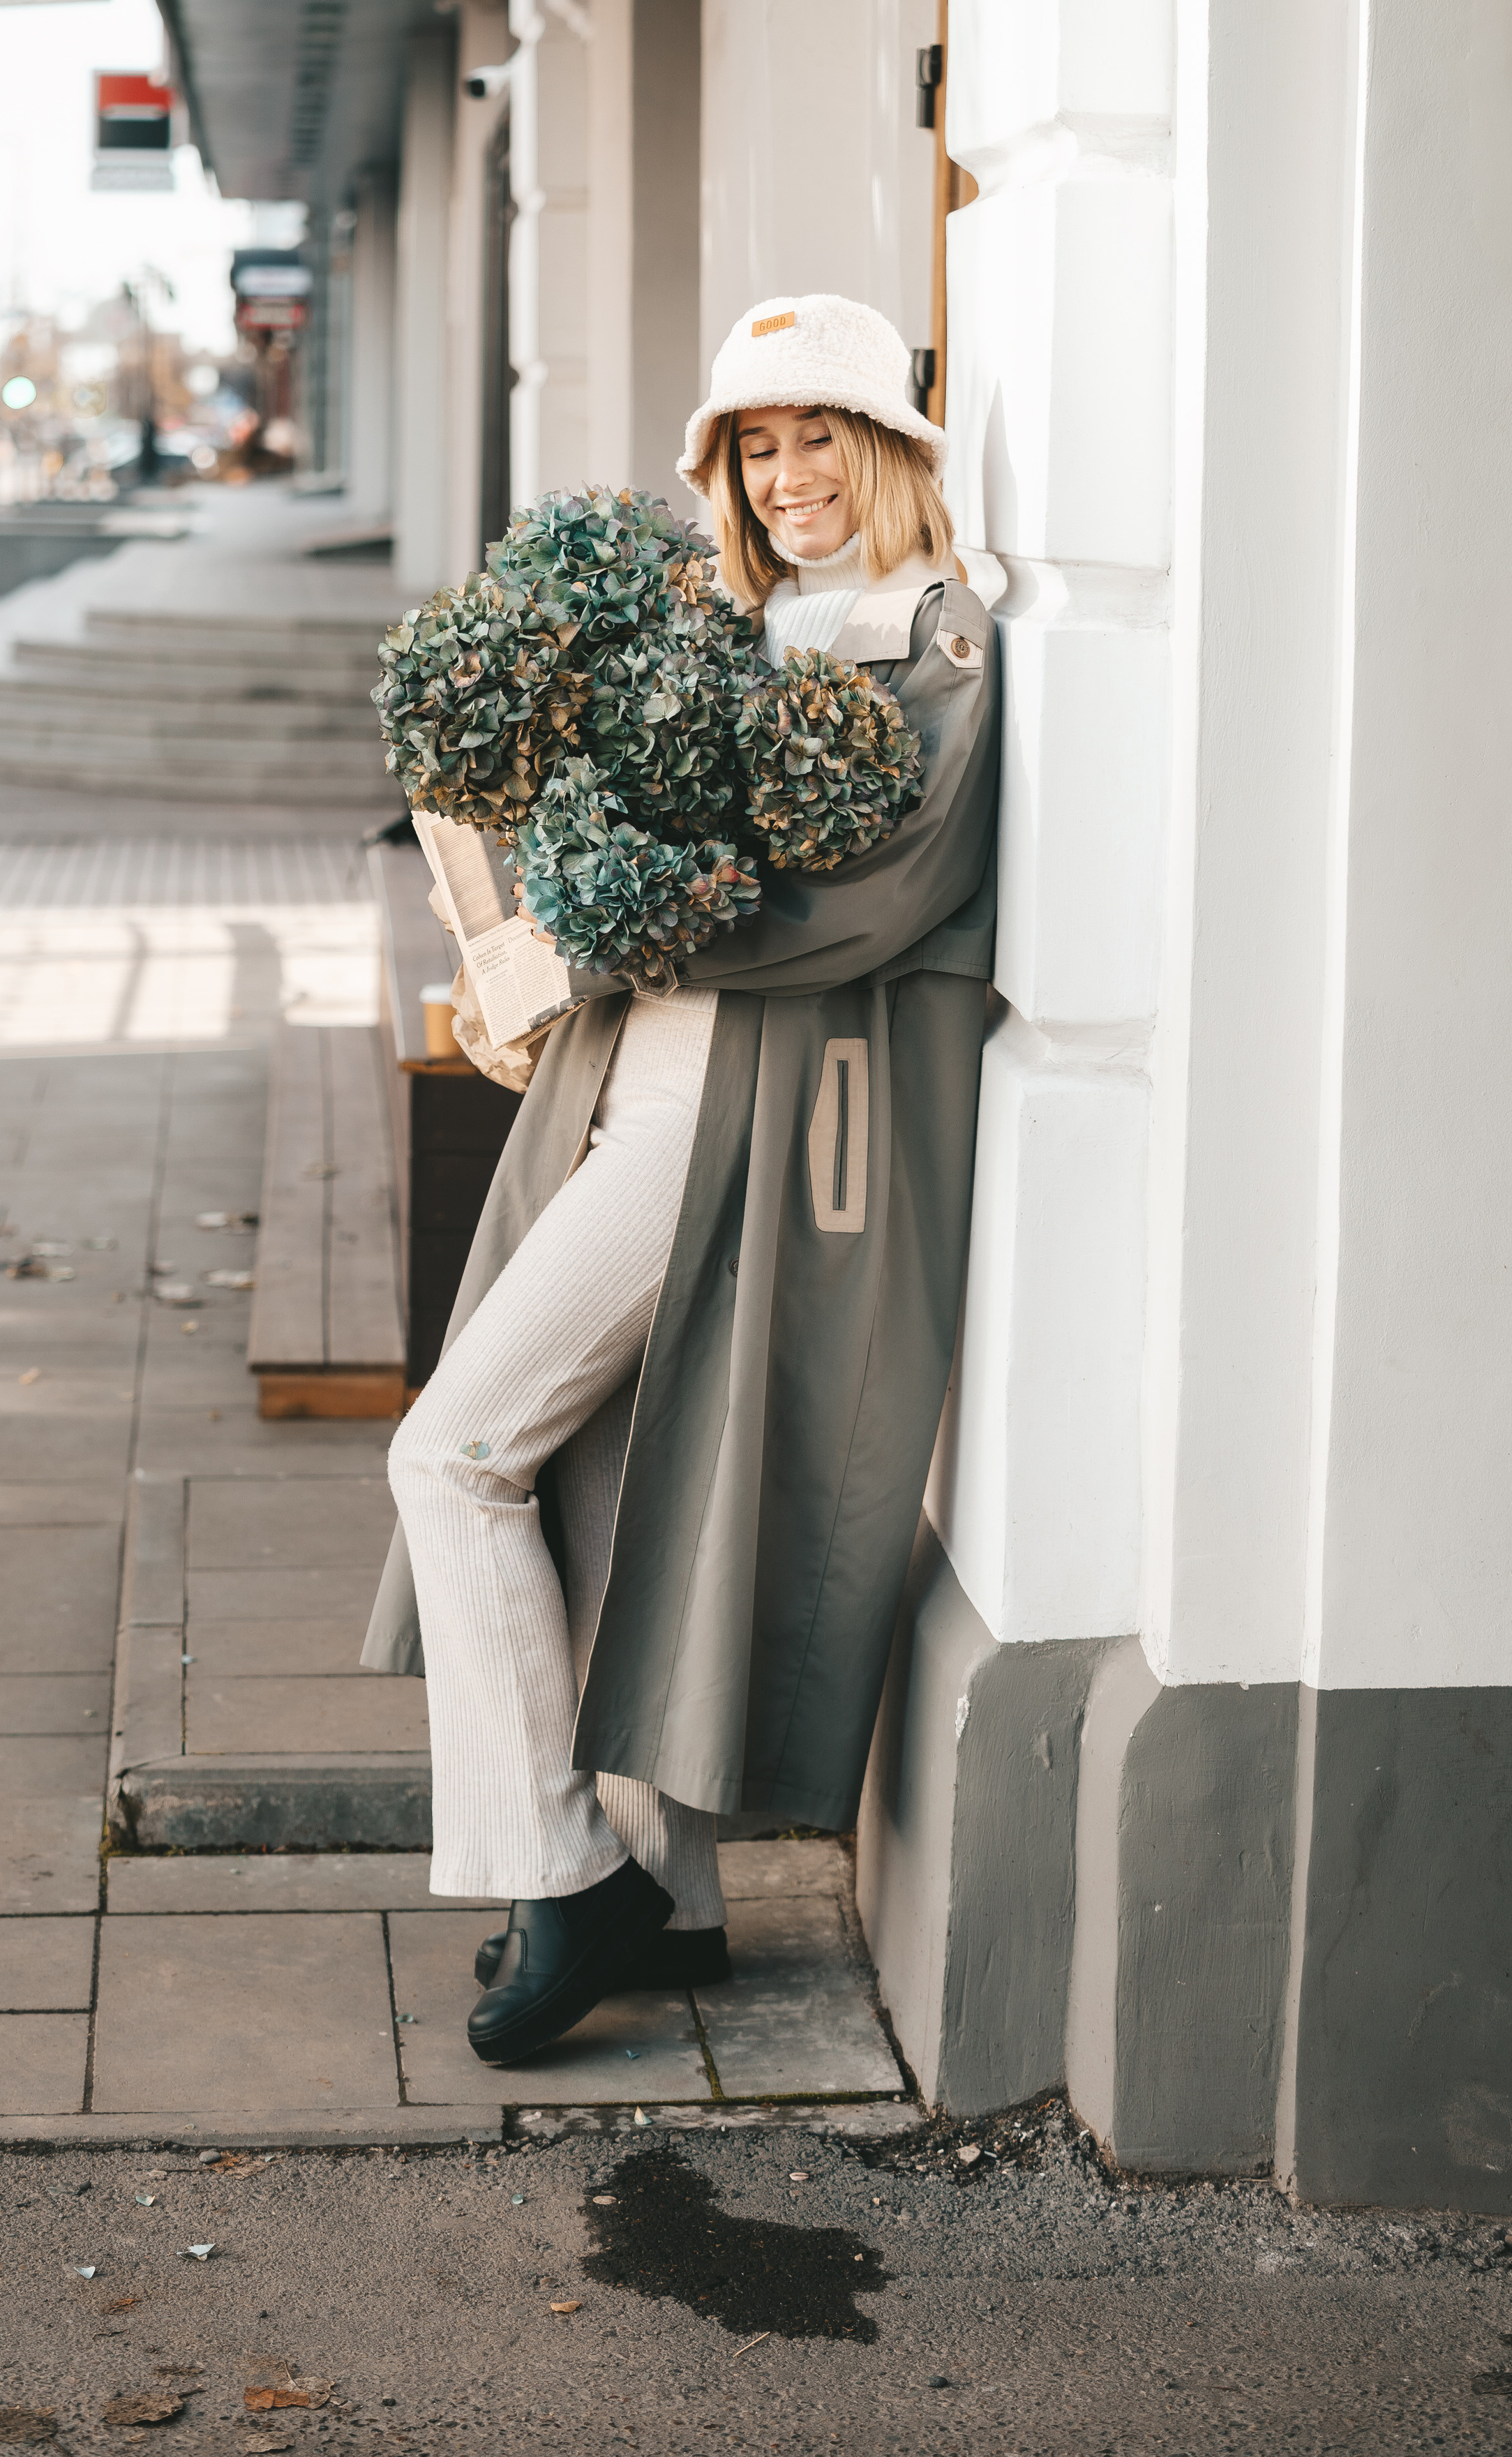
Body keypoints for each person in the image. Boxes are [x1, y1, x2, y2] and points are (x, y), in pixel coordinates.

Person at [363, 293, 1001, 2064]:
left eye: (817, 436)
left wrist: (633, 897)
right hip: (633, 1098)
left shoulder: (933, 637)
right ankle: (679, 1903)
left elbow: (880, 895)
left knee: (455, 1446)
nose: (786, 476)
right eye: (755, 446)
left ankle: (566, 1873)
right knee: (606, 1470)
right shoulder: (736, 624)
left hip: (739, 1129)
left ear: (883, 448)